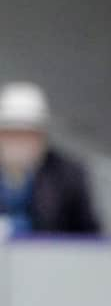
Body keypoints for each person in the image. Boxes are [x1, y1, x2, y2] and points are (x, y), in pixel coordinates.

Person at [0, 81, 99, 236]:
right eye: (11, 133)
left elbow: (90, 238)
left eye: (27, 134)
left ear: (42, 136)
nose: (18, 143)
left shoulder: (68, 177)